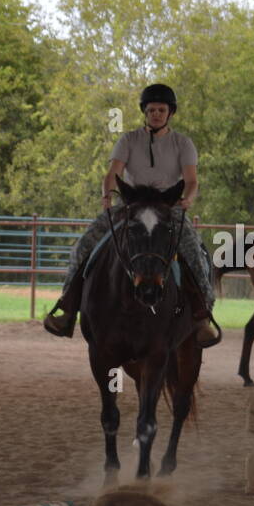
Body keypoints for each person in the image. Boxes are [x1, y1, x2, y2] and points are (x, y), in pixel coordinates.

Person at [44, 83, 219, 347]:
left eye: (161, 110)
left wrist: (188, 199)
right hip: (131, 205)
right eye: (151, 110)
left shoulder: (183, 143)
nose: (156, 114)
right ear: (144, 112)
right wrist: (107, 194)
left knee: (196, 253)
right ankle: (67, 310)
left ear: (170, 113)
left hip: (167, 208)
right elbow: (113, 174)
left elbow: (191, 180)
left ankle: (202, 318)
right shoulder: (128, 140)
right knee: (83, 246)